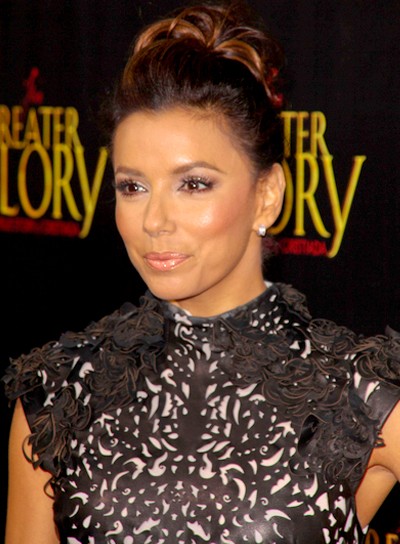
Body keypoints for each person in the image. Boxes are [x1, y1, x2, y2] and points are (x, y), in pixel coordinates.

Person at [3, 2, 400, 543]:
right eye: (132, 187)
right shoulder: (58, 395)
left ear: (267, 195)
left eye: (193, 184)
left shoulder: (357, 395)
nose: (155, 221)